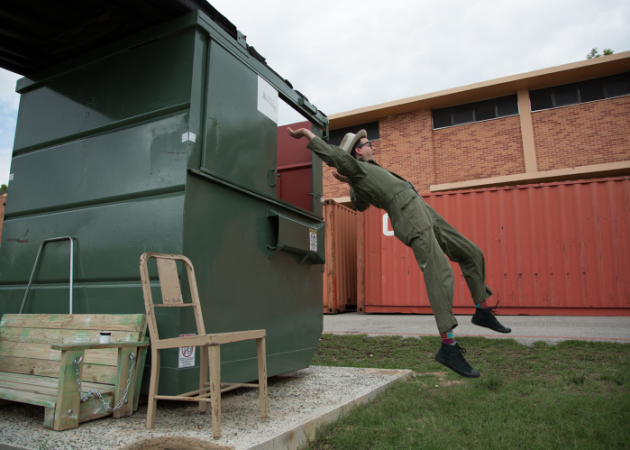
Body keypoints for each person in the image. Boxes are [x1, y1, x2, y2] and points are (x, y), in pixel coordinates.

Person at [287, 127, 512, 378]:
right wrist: (310, 135)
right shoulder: (357, 168)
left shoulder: (370, 170)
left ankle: (482, 310)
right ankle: (448, 346)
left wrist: (351, 180)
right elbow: (338, 160)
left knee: (471, 251)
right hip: (407, 213)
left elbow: (360, 203)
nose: (373, 145)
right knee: (440, 271)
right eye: (368, 143)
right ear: (357, 151)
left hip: (422, 209)